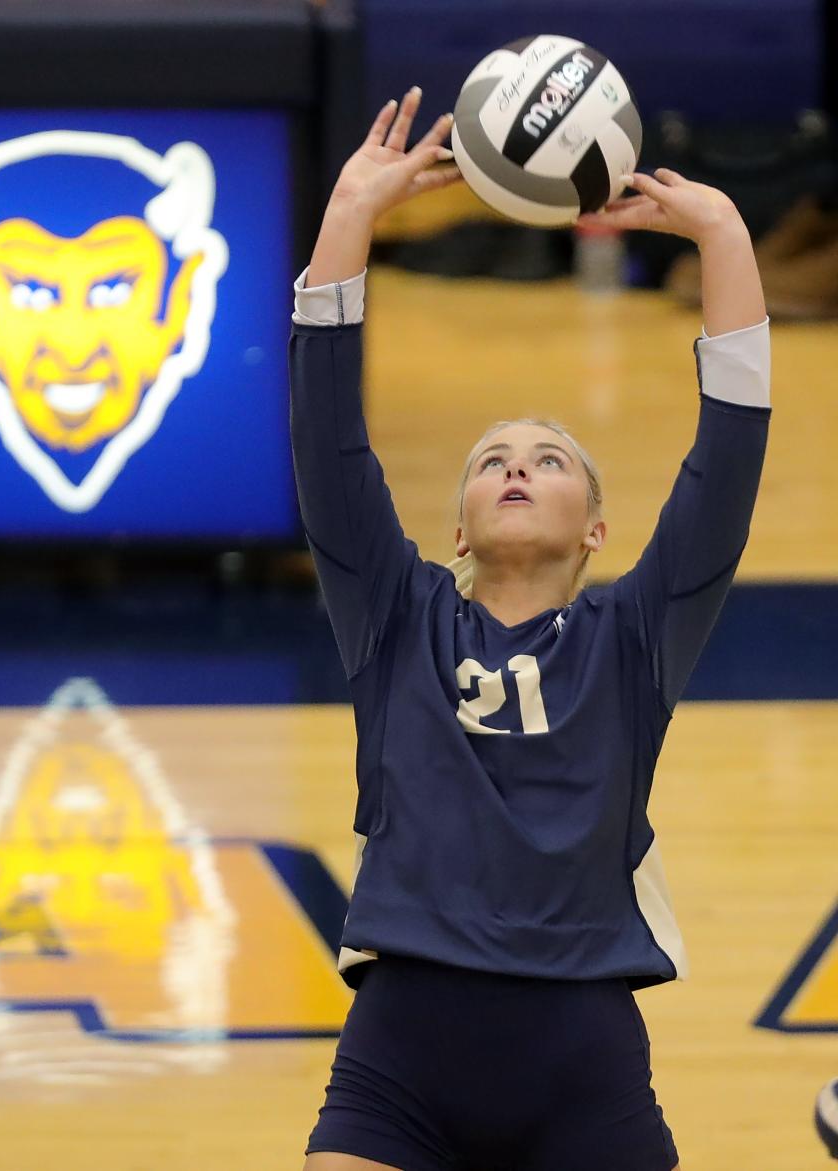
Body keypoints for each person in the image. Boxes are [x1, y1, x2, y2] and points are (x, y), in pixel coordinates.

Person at [290, 87, 770, 1171]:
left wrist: (727, 237)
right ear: (455, 526)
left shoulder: (635, 636)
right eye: (491, 460)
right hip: (399, 1058)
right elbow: (327, 443)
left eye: (549, 459)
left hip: (583, 1066)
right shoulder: (395, 615)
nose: (516, 465)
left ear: (596, 528)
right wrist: (349, 220)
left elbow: (729, 461)